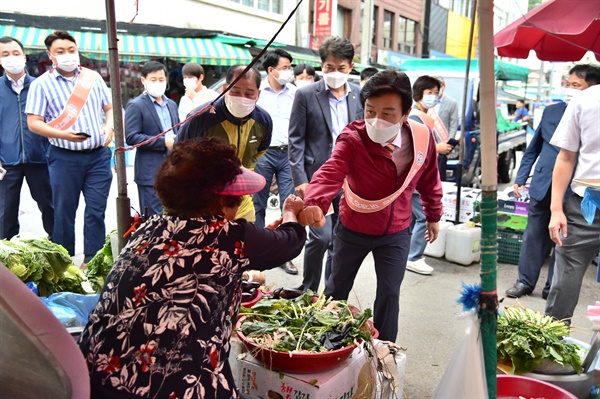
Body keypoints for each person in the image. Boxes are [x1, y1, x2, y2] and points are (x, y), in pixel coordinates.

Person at [78, 137, 307, 399]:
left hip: (94, 378)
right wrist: (291, 212)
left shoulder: (146, 228)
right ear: (223, 201)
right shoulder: (232, 236)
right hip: (169, 389)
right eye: (237, 197)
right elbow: (290, 242)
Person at [298, 70, 443, 341]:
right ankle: (326, 343)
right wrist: (316, 201)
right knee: (336, 289)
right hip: (353, 228)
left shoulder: (422, 138)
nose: (377, 120)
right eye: (370, 111)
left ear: (405, 112)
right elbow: (331, 171)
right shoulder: (353, 138)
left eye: (388, 113)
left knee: (389, 293)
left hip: (396, 232)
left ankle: (385, 350)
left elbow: (430, 178)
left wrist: (433, 215)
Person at [506, 64, 600, 300]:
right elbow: (533, 147)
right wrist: (521, 176)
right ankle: (524, 282)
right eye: (568, 84)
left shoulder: (593, 113)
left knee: (563, 242)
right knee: (532, 236)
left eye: (576, 85)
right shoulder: (551, 111)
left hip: (573, 191)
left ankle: (552, 288)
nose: (569, 89)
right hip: (542, 184)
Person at [25, 30, 113, 262]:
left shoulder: (92, 78)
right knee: (64, 213)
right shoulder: (42, 85)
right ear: (50, 55)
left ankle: (93, 260)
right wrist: (61, 133)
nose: (68, 55)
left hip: (98, 157)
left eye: (71, 50)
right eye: (60, 52)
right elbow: (33, 123)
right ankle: (65, 263)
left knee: (96, 211)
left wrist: (110, 127)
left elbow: (110, 107)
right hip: (64, 157)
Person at [288, 36, 363, 292]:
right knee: (321, 236)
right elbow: (295, 138)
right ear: (322, 66)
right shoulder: (306, 94)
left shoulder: (360, 96)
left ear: (350, 67)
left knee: (340, 241)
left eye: (340, 68)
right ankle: (308, 289)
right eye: (329, 67)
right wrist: (299, 178)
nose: (334, 73)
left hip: (349, 180)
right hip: (316, 178)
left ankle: (332, 292)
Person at [177, 65, 272, 222]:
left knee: (241, 246)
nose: (242, 98)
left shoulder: (264, 121)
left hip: (243, 207)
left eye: (249, 94)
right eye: (235, 91)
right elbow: (178, 158)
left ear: (258, 94)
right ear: (224, 88)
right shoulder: (199, 119)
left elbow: (259, 152)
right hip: (204, 206)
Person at [546, 84, 600, 324]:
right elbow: (566, 156)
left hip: (585, 204)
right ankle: (551, 345)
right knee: (566, 278)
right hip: (585, 206)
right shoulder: (586, 100)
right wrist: (556, 209)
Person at [0, 36, 54, 240]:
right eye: (5, 54)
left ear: (24, 57)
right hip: (6, 162)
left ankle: (59, 250)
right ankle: (6, 259)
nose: (11, 58)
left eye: (15, 53)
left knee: (50, 208)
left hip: (41, 159)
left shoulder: (41, 86)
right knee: (5, 214)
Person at [253, 49, 298, 275]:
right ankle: (257, 251)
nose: (289, 71)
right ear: (270, 70)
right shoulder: (258, 92)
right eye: (284, 67)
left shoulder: (295, 93)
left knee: (289, 204)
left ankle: (285, 254)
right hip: (263, 154)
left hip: (288, 154)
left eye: (290, 67)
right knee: (257, 203)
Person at [406, 75, 454, 275]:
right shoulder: (415, 116)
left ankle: (407, 253)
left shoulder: (426, 115)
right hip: (417, 177)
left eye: (436, 93)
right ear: (418, 94)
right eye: (429, 92)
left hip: (420, 176)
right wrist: (438, 147)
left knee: (412, 217)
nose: (433, 96)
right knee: (423, 216)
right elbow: (412, 145)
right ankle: (413, 256)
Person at [125, 61, 179, 217]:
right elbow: (132, 137)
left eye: (161, 80)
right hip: (150, 174)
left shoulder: (171, 105)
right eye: (153, 80)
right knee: (153, 220)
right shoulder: (136, 105)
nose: (158, 83)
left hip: (173, 171)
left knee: (173, 217)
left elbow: (177, 130)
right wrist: (163, 141)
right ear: (144, 81)